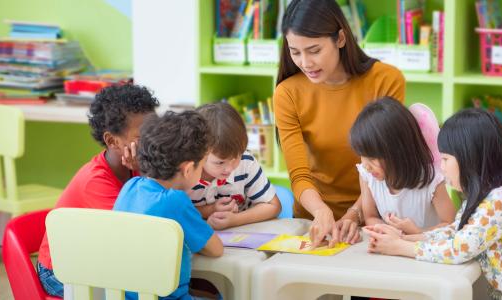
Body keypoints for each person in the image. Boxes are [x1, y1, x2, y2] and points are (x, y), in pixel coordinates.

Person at [364, 109, 502, 299]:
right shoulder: (484, 197)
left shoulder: (501, 199)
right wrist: (406, 238)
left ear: (471, 158)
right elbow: (455, 231)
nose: (442, 168)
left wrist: (399, 247)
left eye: (446, 159)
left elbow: (459, 248)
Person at [274, 0, 406, 247]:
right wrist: (321, 212)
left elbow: (386, 164)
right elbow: (299, 175)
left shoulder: (386, 80)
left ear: (341, 39)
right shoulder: (287, 93)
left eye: (314, 50)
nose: (305, 63)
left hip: (377, 217)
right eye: (295, 52)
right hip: (313, 221)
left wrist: (355, 214)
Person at [37, 84, 159, 297]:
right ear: (112, 141)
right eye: (142, 137)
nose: (153, 143)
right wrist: (148, 173)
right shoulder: (96, 181)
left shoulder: (136, 168)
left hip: (96, 258)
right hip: (60, 270)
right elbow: (141, 232)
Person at [113, 110, 223, 300]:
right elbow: (215, 249)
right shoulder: (174, 201)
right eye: (203, 164)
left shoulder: (130, 187)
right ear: (188, 169)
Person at [349, 98, 455, 234]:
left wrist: (416, 232)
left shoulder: (431, 180)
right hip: (392, 250)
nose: (366, 165)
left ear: (399, 150)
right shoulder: (367, 176)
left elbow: (450, 225)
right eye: (362, 155)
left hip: (422, 250)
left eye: (372, 157)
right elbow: (371, 217)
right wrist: (387, 231)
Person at [189, 102, 281, 230]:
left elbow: (273, 206)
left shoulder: (246, 162)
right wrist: (209, 210)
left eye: (236, 157)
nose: (230, 169)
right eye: (220, 162)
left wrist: (235, 220)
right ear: (198, 153)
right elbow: (173, 211)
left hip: (242, 234)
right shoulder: (186, 172)